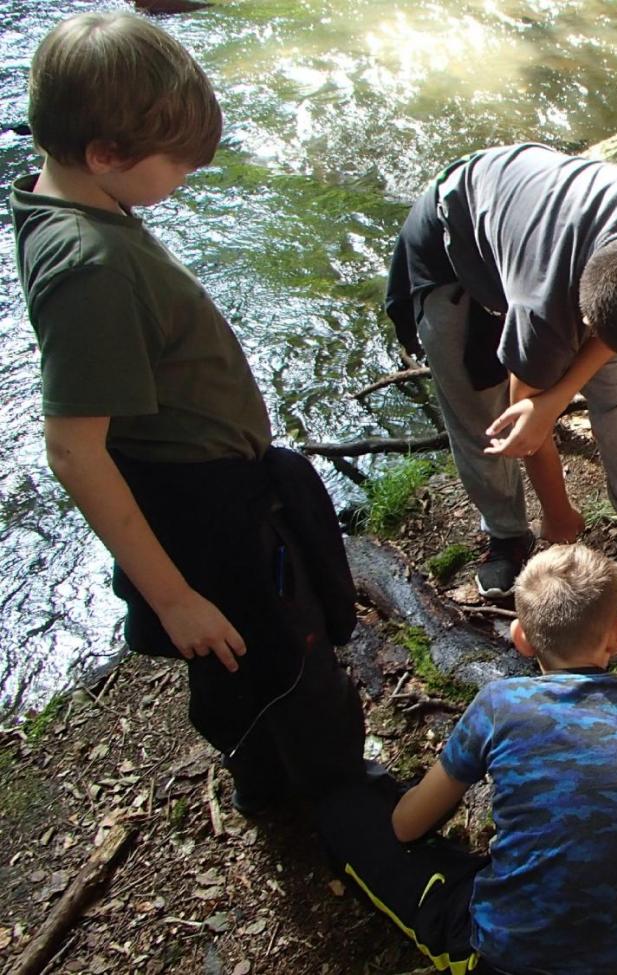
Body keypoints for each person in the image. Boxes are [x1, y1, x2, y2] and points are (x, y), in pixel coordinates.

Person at [10, 11, 365, 813]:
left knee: (258, 644)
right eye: (176, 167)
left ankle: (283, 776)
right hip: (200, 508)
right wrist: (173, 597)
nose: (184, 181)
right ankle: (318, 797)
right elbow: (72, 449)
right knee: (271, 652)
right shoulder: (91, 267)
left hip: (210, 481)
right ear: (106, 154)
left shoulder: (65, 199)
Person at [316, 544, 617, 974]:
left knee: (359, 824)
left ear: (521, 639)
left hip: (511, 955)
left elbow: (406, 825)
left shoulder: (498, 705)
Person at [386, 143, 617, 598]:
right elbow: (523, 428)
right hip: (450, 242)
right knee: (482, 414)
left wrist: (556, 397)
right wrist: (558, 514)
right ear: (584, 320)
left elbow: (607, 337)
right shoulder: (542, 310)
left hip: (535, 224)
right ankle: (507, 536)